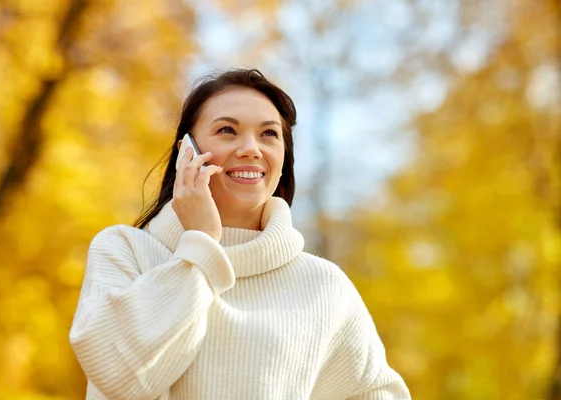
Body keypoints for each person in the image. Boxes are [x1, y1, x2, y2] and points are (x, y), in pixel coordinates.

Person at [69, 68, 411, 400]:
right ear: (185, 153)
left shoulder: (324, 285)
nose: (251, 148)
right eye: (227, 131)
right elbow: (120, 378)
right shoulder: (124, 251)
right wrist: (201, 243)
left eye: (269, 134)